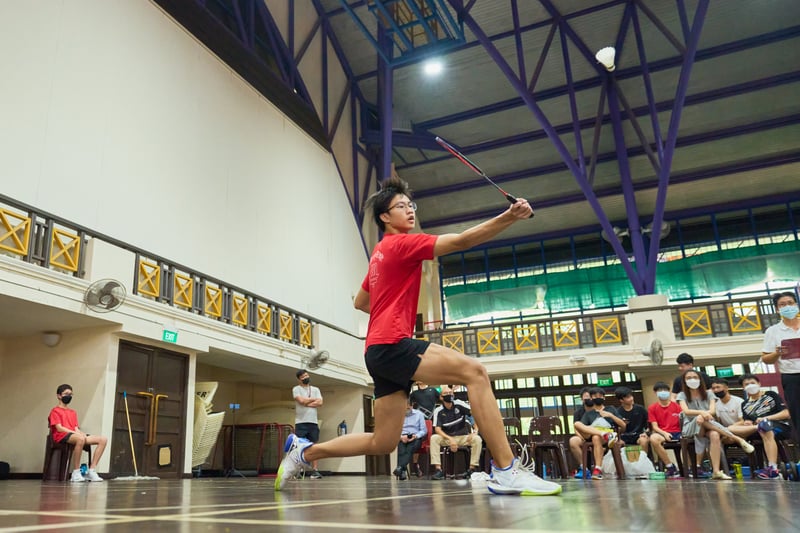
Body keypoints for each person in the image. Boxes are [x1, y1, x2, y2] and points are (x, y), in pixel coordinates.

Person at [275, 176, 561, 496]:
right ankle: (507, 470)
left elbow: (360, 302)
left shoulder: (380, 254)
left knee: (382, 442)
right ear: (385, 217)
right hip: (394, 344)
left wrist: (387, 310)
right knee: (475, 372)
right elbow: (463, 241)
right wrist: (510, 216)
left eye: (411, 205)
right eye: (401, 206)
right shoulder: (402, 244)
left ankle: (304, 453)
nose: (410, 210)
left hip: (377, 350)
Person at [676, 370, 754, 480]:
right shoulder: (682, 395)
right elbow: (686, 411)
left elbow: (712, 411)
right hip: (690, 427)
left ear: (700, 379)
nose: (692, 379)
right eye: (688, 378)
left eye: (695, 377)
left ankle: (716, 471)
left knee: (715, 435)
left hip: (707, 424)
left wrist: (703, 415)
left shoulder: (709, 393)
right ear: (684, 381)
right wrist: (702, 413)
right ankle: (737, 438)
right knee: (702, 420)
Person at [728, 374, 792, 479]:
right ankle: (759, 427)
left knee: (765, 428)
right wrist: (748, 423)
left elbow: (786, 413)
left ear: (759, 384)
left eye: (753, 383)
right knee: (731, 428)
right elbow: (748, 420)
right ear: (743, 388)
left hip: (779, 426)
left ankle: (772, 468)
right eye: (747, 384)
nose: (750, 385)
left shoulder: (771, 395)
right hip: (756, 429)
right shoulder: (745, 404)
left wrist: (766, 419)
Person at [761, 291, 800, 443]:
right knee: (797, 415)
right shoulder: (773, 331)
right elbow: (766, 358)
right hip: (791, 378)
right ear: (777, 309)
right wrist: (777, 353)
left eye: (790, 303)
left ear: (796, 305)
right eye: (782, 305)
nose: (787, 307)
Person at [48, 384, 107, 482]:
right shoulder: (55, 411)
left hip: (73, 435)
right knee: (80, 439)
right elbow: (59, 428)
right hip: (61, 436)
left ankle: (91, 471)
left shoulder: (72, 412)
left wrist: (81, 433)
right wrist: (77, 434)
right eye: (66, 394)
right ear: (59, 396)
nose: (69, 396)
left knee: (103, 439)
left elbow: (75, 428)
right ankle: (76, 472)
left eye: (71, 394)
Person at [429, 386, 482, 480]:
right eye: (446, 394)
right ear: (441, 397)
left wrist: (475, 431)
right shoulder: (438, 411)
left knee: (477, 439)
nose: (449, 395)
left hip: (463, 437)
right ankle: (438, 470)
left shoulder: (459, 404)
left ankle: (471, 469)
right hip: (447, 438)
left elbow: (475, 413)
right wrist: (450, 439)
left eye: (451, 393)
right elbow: (437, 429)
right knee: (434, 438)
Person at [573, 387, 625, 480]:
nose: (598, 397)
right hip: (592, 434)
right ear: (591, 398)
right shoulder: (589, 413)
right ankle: (603, 433)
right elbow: (582, 427)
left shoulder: (611, 409)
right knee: (577, 424)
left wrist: (611, 415)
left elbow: (623, 425)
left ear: (604, 397)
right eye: (595, 396)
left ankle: (597, 469)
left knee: (596, 437)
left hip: (608, 436)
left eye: (600, 396)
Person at [648, 381, 683, 478]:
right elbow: (655, 426)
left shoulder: (677, 406)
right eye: (660, 390)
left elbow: (684, 421)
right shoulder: (652, 408)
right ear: (655, 393)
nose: (663, 392)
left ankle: (690, 468)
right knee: (653, 438)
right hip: (663, 433)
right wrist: (665, 433)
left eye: (665, 390)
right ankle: (670, 466)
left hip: (679, 432)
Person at [293, 369, 323, 479]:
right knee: (300, 446)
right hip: (301, 422)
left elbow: (320, 402)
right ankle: (299, 470)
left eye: (307, 375)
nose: (306, 377)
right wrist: (312, 401)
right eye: (303, 376)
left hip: (313, 422)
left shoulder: (315, 389)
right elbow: (302, 401)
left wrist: (308, 401)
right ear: (299, 379)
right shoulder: (296, 389)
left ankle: (315, 470)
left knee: (314, 445)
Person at [409, 381, 440, 476]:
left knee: (430, 443)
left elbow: (442, 400)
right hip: (417, 421)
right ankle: (415, 464)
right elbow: (409, 406)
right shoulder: (414, 394)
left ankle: (436, 469)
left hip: (429, 420)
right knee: (417, 443)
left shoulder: (433, 390)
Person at [394, 398, 427, 480]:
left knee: (409, 449)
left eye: (408, 408)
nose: (406, 410)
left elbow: (424, 430)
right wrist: (401, 437)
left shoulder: (419, 414)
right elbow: (394, 430)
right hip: (402, 437)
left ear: (412, 406)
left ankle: (400, 468)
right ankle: (402, 470)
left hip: (415, 437)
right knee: (401, 450)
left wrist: (415, 436)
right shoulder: (397, 415)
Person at [614, 386, 649, 453]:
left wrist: (645, 433)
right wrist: (618, 438)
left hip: (638, 435)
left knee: (643, 441)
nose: (631, 398)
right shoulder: (617, 412)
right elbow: (616, 429)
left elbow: (649, 424)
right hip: (623, 437)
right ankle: (620, 463)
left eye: (631, 396)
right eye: (628, 397)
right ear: (621, 400)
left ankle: (643, 461)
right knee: (616, 444)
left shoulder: (640, 409)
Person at [568, 387, 592, 478]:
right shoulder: (578, 413)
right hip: (583, 437)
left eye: (590, 397)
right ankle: (584, 468)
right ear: (582, 399)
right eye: (586, 398)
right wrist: (581, 438)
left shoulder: (598, 409)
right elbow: (576, 428)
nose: (588, 400)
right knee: (573, 441)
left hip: (597, 437)